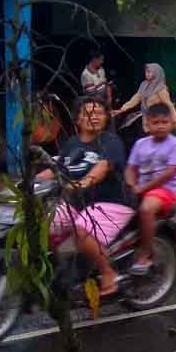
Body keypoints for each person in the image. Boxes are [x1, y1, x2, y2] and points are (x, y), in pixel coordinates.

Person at [45, 96, 133, 296]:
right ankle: (57, 271)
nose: (93, 117)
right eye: (87, 113)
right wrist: (29, 183)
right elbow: (56, 169)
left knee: (82, 229)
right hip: (79, 202)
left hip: (111, 201)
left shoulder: (110, 141)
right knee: (43, 228)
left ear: (106, 118)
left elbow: (102, 168)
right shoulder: (72, 143)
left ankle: (108, 272)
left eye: (99, 113)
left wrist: (81, 183)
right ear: (77, 119)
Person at [125, 103, 176, 274]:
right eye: (155, 122)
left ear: (171, 123)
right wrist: (131, 185)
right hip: (141, 189)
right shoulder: (140, 144)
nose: (160, 126)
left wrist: (141, 188)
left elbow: (169, 173)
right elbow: (131, 168)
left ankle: (145, 254)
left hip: (165, 191)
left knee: (146, 208)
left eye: (164, 122)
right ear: (147, 124)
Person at [114, 63, 176, 136]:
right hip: (146, 119)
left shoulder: (161, 88)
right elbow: (136, 98)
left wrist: (175, 120)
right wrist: (122, 109)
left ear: (156, 73)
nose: (146, 74)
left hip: (157, 120)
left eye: (149, 72)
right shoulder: (144, 85)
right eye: (146, 72)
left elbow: (168, 104)